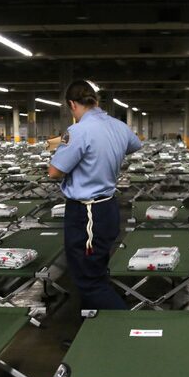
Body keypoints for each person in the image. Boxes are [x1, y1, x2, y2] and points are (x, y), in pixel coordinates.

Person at [48, 80, 142, 310]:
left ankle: (124, 326)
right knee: (96, 271)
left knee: (87, 279)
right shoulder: (118, 126)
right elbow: (135, 145)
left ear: (72, 104)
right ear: (96, 101)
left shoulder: (78, 131)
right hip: (108, 207)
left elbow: (54, 172)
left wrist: (64, 146)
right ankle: (90, 328)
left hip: (85, 213)